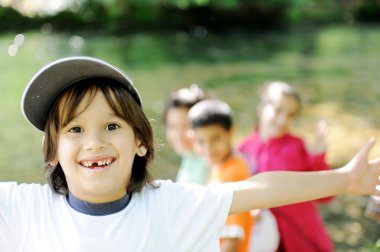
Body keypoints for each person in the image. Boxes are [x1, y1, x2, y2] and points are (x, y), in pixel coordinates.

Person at [0, 56, 379, 252]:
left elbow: (258, 189)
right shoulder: (24, 210)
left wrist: (345, 179)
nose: (93, 142)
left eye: (112, 126)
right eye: (75, 129)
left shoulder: (169, 206)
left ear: (141, 142)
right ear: (51, 151)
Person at [238, 81, 335, 251]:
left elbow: (325, 197)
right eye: (278, 110)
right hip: (267, 241)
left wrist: (319, 155)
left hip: (304, 240)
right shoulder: (243, 150)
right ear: (261, 107)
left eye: (291, 115)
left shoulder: (298, 147)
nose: (283, 119)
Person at [188, 99, 254, 252]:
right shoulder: (222, 166)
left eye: (215, 139)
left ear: (231, 131)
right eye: (201, 141)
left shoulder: (233, 173)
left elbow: (233, 235)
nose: (208, 148)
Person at [162, 84, 210, 185]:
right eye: (172, 126)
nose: (178, 135)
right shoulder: (189, 156)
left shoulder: (208, 163)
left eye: (187, 126)